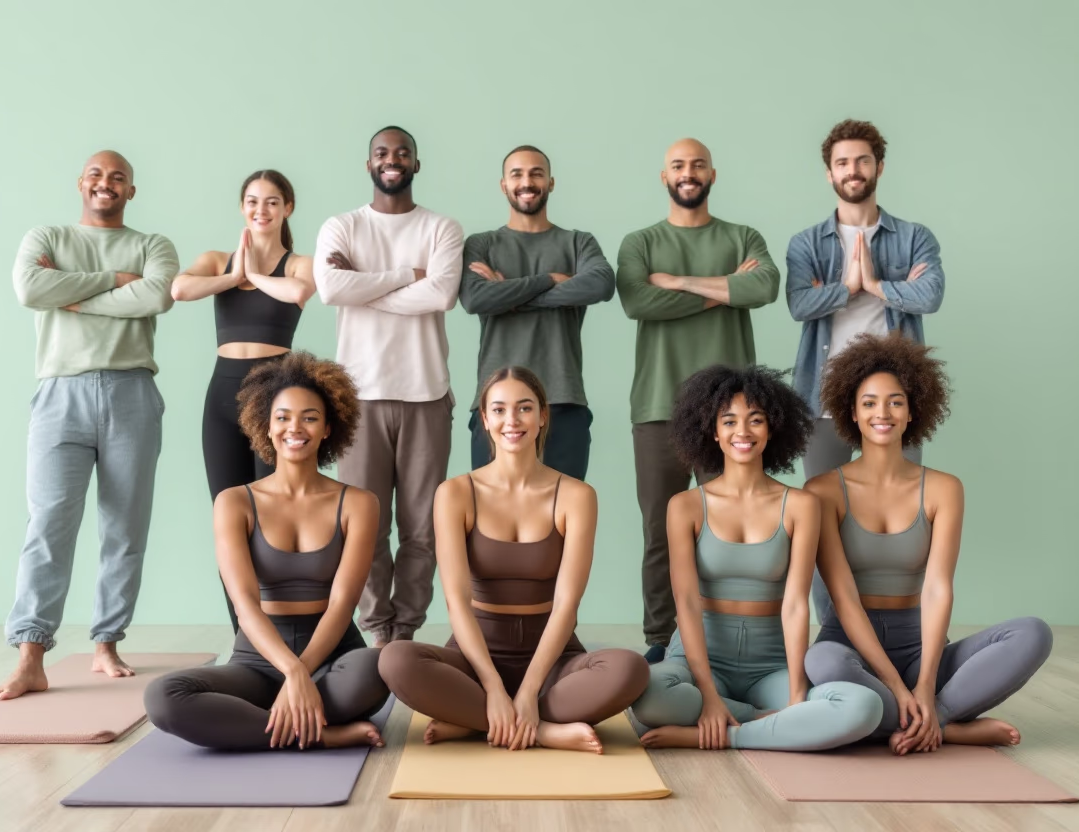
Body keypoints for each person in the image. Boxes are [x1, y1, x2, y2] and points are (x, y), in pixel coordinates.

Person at [0, 151, 178, 702]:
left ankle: (106, 642)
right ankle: (30, 655)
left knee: (125, 529)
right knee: (49, 523)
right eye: (97, 174)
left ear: (131, 191)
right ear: (81, 184)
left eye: (118, 177)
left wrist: (68, 292)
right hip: (59, 395)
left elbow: (157, 294)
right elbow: (29, 290)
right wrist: (112, 283)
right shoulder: (46, 235)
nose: (106, 183)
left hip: (131, 393)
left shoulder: (152, 246)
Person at [803, 334, 1052, 755]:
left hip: (920, 644)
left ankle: (934, 716)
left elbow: (938, 588)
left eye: (895, 401)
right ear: (851, 412)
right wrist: (898, 687)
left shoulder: (944, 489)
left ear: (912, 410)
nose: (882, 412)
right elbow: (842, 598)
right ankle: (946, 727)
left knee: (1033, 633)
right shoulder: (822, 491)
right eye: (869, 403)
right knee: (823, 664)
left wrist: (922, 683)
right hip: (849, 644)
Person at [378, 367, 649, 753]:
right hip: (474, 659)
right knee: (395, 659)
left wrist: (529, 688)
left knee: (630, 668)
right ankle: (540, 730)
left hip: (552, 657)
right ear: (485, 420)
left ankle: (481, 721)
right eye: (500, 410)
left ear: (542, 417)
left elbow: (567, 605)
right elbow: (456, 602)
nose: (512, 420)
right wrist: (491, 685)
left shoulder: (576, 495)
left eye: (524, 408)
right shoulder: (455, 493)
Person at [145, 352, 389, 751]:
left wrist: (304, 672)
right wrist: (292, 671)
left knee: (380, 666)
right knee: (163, 697)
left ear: (329, 428)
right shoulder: (234, 502)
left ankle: (265, 725)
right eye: (283, 417)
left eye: (310, 417)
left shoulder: (359, 503)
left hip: (333, 654)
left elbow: (343, 605)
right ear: (266, 425)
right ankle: (318, 734)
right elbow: (244, 605)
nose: (295, 427)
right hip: (257, 658)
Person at [630, 365, 882, 750]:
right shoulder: (685, 506)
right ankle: (770, 723)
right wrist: (710, 696)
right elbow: (686, 603)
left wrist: (798, 693)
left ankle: (728, 734)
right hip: (700, 658)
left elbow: (797, 605)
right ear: (713, 432)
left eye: (755, 420)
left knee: (863, 705)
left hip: (771, 663)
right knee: (649, 694)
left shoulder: (800, 504)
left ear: (772, 428)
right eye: (729, 421)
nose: (742, 432)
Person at [617, 138, 780, 663]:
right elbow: (639, 299)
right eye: (679, 166)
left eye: (698, 165)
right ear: (663, 176)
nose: (689, 173)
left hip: (731, 416)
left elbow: (765, 288)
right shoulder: (639, 242)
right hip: (658, 406)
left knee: (733, 528)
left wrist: (682, 282)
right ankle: (660, 641)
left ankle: (724, 637)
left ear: (713, 173)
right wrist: (724, 288)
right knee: (660, 530)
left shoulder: (742, 235)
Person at [784, 120, 946, 622]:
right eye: (842, 163)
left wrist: (874, 284)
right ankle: (834, 631)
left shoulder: (915, 236)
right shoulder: (807, 242)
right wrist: (849, 288)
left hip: (895, 401)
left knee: (906, 518)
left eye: (861, 160)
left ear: (879, 165)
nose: (852, 171)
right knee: (820, 522)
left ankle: (905, 631)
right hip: (822, 398)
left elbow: (932, 295)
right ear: (828, 172)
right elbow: (797, 303)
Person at [313, 126, 464, 649]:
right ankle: (378, 631)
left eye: (402, 153)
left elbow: (442, 294)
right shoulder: (343, 225)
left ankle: (407, 632)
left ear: (417, 164)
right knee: (365, 526)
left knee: (423, 530)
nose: (392, 160)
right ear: (368, 163)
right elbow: (331, 288)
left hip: (426, 394)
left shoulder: (442, 227)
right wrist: (404, 276)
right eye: (382, 152)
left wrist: (366, 285)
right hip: (358, 397)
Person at [170, 169, 316, 633]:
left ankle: (281, 631)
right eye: (253, 201)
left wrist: (252, 275)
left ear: (287, 208)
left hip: (275, 398)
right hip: (221, 395)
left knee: (271, 519)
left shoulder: (297, 263)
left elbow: (299, 293)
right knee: (228, 519)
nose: (261, 210)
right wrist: (235, 274)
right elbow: (179, 290)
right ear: (242, 207)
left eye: (272, 202)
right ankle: (244, 635)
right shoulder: (217, 260)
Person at [458, 145, 615, 480]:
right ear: (503, 184)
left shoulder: (578, 242)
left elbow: (601, 284)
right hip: (495, 405)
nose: (526, 182)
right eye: (517, 174)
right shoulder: (482, 244)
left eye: (536, 173)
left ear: (551, 182)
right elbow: (474, 299)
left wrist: (508, 294)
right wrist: (549, 280)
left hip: (563, 400)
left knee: (563, 521)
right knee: (491, 524)